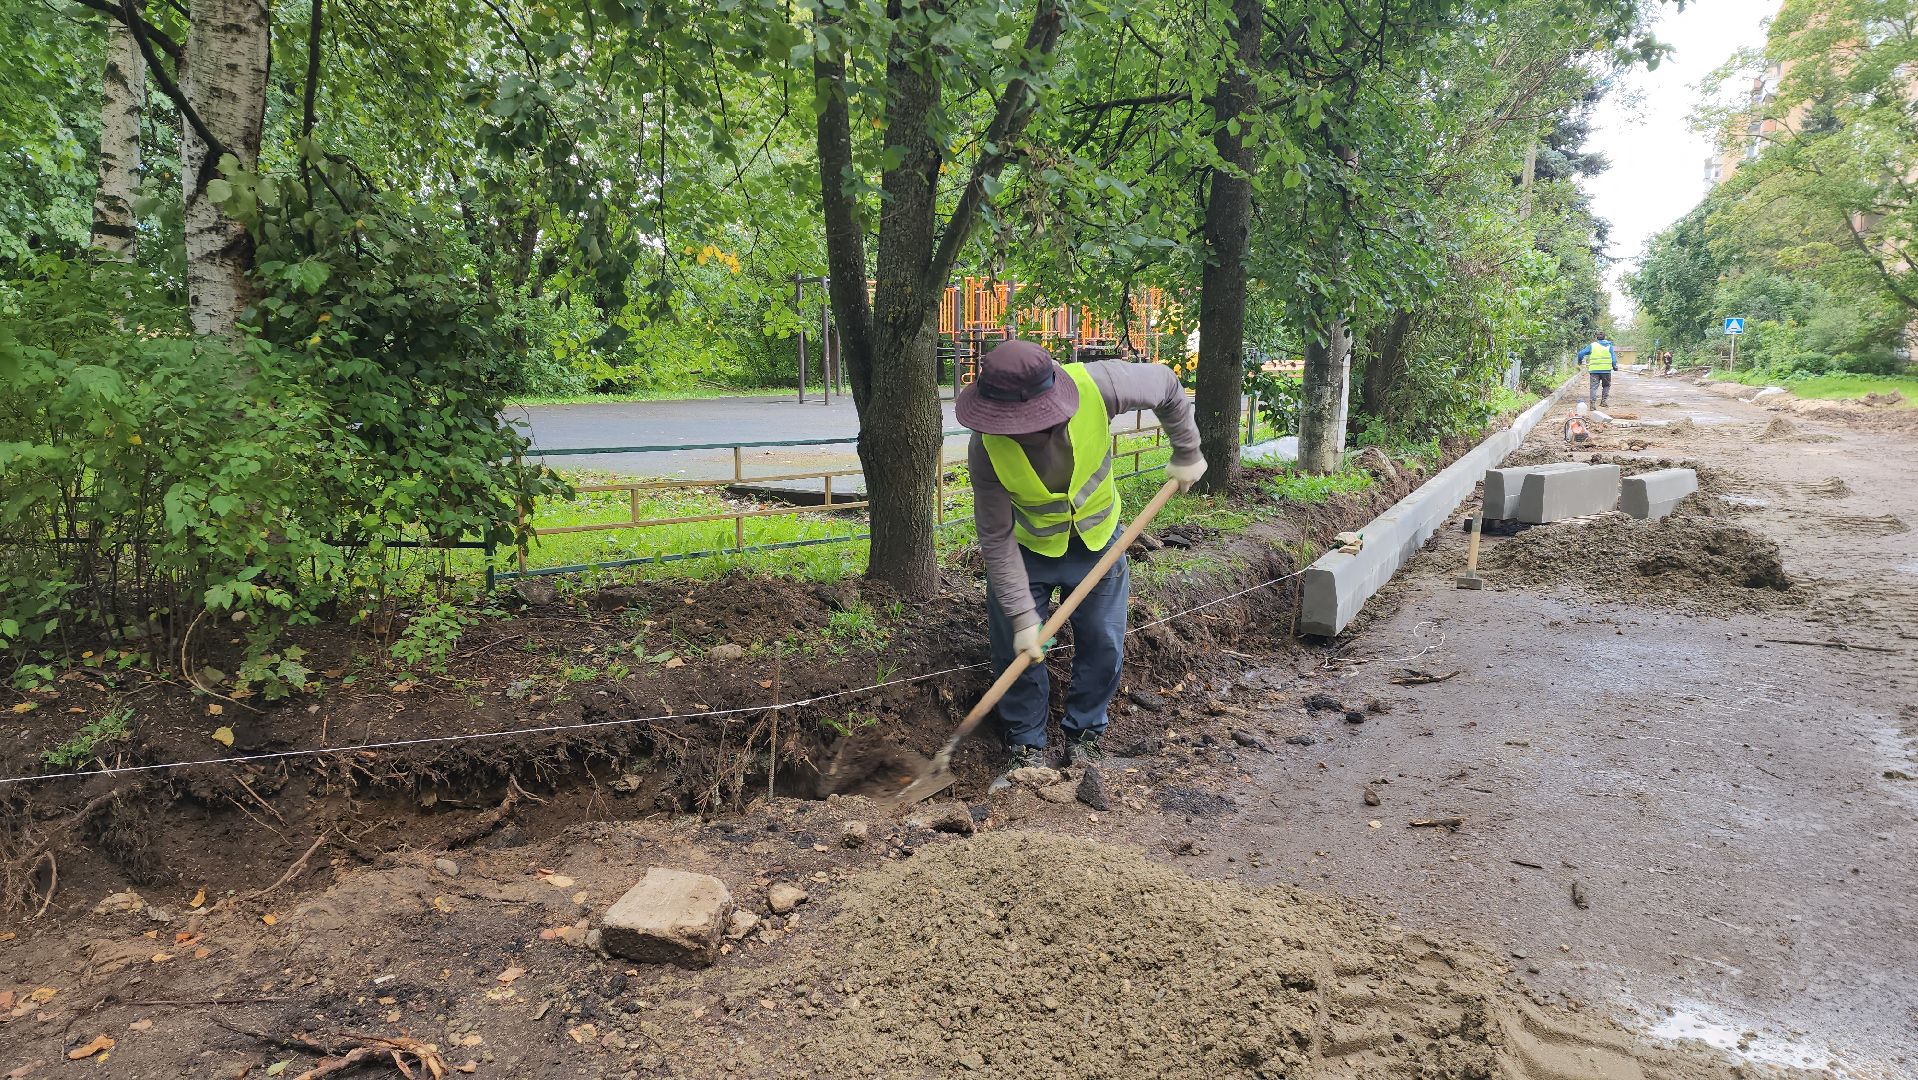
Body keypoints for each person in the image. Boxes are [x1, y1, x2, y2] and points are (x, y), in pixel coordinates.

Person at [956, 339, 1205, 773]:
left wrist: (1187, 451)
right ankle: (1025, 748)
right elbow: (996, 537)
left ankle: (1085, 737)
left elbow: (1165, 384)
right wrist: (1022, 618)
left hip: (1098, 541)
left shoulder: (1100, 385)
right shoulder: (986, 448)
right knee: (1015, 651)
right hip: (1028, 549)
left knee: (1103, 641)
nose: (1015, 431)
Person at [1577, 336, 1616, 408]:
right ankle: (1603, 401)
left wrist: (1579, 361)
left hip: (1594, 371)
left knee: (1593, 387)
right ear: (1605, 337)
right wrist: (1614, 366)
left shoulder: (1592, 345)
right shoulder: (1609, 346)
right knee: (1606, 386)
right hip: (1606, 370)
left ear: (1596, 338)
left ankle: (1592, 404)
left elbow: (1580, 353)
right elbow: (1613, 357)